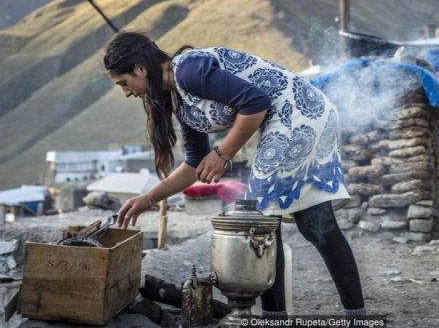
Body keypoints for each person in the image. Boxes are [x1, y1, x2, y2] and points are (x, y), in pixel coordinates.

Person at [103, 31, 366, 319]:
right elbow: (193, 164)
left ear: (140, 69)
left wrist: (223, 153)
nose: (127, 92)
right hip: (304, 116)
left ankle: (275, 320)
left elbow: (256, 103)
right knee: (314, 225)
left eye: (124, 83)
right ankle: (357, 316)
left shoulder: (188, 71)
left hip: (298, 115)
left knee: (259, 225)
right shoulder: (179, 99)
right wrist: (149, 198)